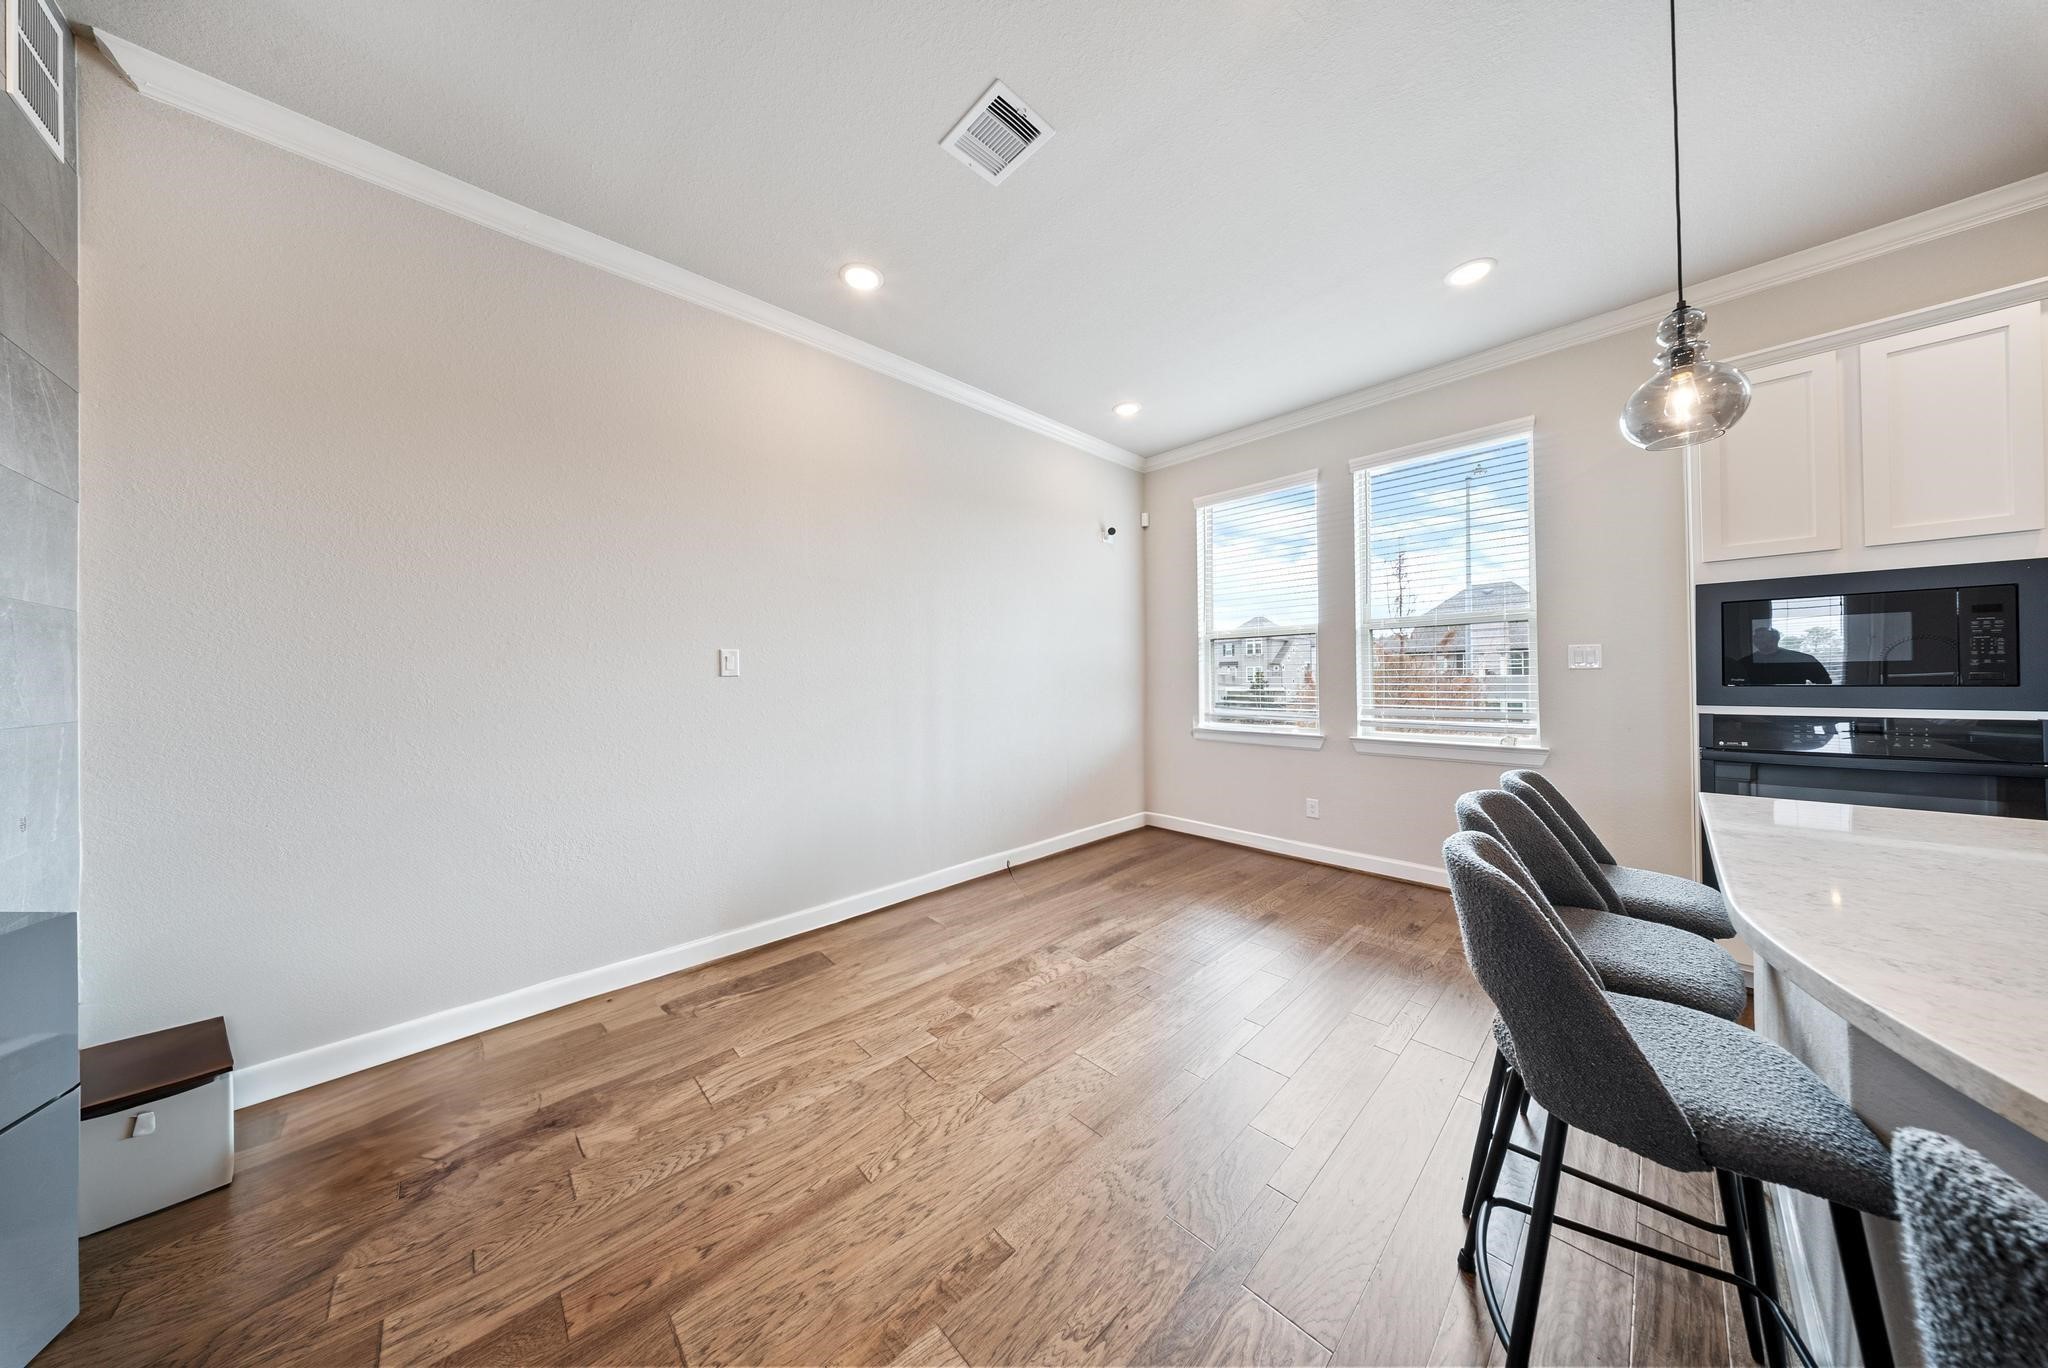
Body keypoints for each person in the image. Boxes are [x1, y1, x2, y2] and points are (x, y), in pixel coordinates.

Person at [1740, 624, 1831, 685]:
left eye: (1762, 637)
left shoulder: (1800, 659)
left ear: (1775, 639)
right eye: (1756, 637)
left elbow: (1824, 681)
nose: (1758, 640)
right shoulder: (1744, 663)